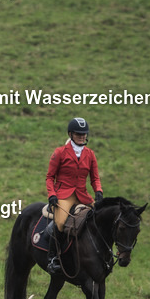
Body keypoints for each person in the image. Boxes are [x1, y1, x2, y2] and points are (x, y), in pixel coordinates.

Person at [45, 117, 103, 274]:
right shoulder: (59, 153)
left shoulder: (90, 155)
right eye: (79, 134)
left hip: (82, 194)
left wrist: (98, 190)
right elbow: (50, 177)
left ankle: (101, 256)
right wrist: (52, 195)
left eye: (84, 134)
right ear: (70, 134)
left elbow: (95, 178)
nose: (82, 137)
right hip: (64, 194)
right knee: (61, 223)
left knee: (99, 218)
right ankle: (53, 258)